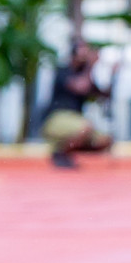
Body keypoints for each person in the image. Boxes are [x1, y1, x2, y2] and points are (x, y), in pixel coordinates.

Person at [42, 40, 113, 169]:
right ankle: (59, 153)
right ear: (73, 55)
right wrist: (91, 66)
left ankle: (66, 150)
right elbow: (81, 86)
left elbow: (104, 95)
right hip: (57, 118)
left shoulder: (85, 74)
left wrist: (113, 74)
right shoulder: (63, 71)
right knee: (85, 128)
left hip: (77, 120)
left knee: (105, 140)